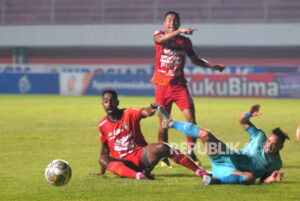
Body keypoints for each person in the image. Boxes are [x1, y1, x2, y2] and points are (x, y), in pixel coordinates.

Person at [151, 11, 225, 167]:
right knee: (164, 123)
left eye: (175, 20)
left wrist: (213, 66)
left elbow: (195, 59)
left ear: (179, 22)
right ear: (165, 24)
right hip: (162, 85)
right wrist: (179, 31)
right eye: (169, 20)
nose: (172, 22)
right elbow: (160, 39)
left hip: (179, 86)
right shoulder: (159, 34)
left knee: (191, 119)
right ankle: (163, 155)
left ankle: (191, 151)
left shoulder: (185, 42)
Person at [157, 104, 289, 185]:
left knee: (250, 177)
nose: (269, 145)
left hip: (233, 172)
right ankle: (170, 123)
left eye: (274, 144)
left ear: (281, 147)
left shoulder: (277, 164)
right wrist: (249, 114)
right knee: (205, 134)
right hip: (226, 157)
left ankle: (216, 180)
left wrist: (271, 179)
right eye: (269, 141)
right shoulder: (260, 136)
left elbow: (263, 180)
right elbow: (242, 120)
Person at [91, 89, 208, 180]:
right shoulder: (103, 124)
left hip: (141, 156)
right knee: (102, 159)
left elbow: (145, 112)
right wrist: (102, 171)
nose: (109, 104)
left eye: (112, 101)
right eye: (106, 102)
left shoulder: (129, 113)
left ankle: (199, 171)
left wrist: (152, 109)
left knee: (162, 147)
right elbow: (105, 149)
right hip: (123, 163)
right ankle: (139, 176)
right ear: (102, 104)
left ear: (117, 102)